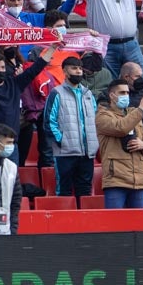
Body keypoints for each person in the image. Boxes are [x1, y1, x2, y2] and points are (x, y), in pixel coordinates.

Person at [44, 56, 100, 198]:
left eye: (80, 68)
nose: (78, 72)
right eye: (74, 68)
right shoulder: (56, 93)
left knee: (85, 192)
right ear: (65, 71)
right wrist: (62, 141)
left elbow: (96, 120)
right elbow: (49, 122)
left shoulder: (88, 94)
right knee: (64, 192)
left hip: (87, 153)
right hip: (65, 153)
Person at [95, 79, 143, 209]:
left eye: (127, 92)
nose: (126, 95)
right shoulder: (102, 116)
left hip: (139, 179)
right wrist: (141, 108)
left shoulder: (135, 114)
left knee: (138, 225)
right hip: (116, 179)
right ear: (112, 95)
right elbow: (121, 128)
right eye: (122, 92)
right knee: (114, 225)